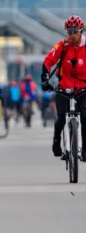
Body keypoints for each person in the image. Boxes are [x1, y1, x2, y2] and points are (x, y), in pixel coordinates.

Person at [42, 15, 86, 158]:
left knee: (85, 117)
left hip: (83, 88)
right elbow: (48, 61)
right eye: (69, 32)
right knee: (60, 118)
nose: (72, 35)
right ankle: (56, 141)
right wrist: (45, 79)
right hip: (64, 87)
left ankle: (84, 148)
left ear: (81, 31)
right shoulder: (63, 46)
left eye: (75, 32)